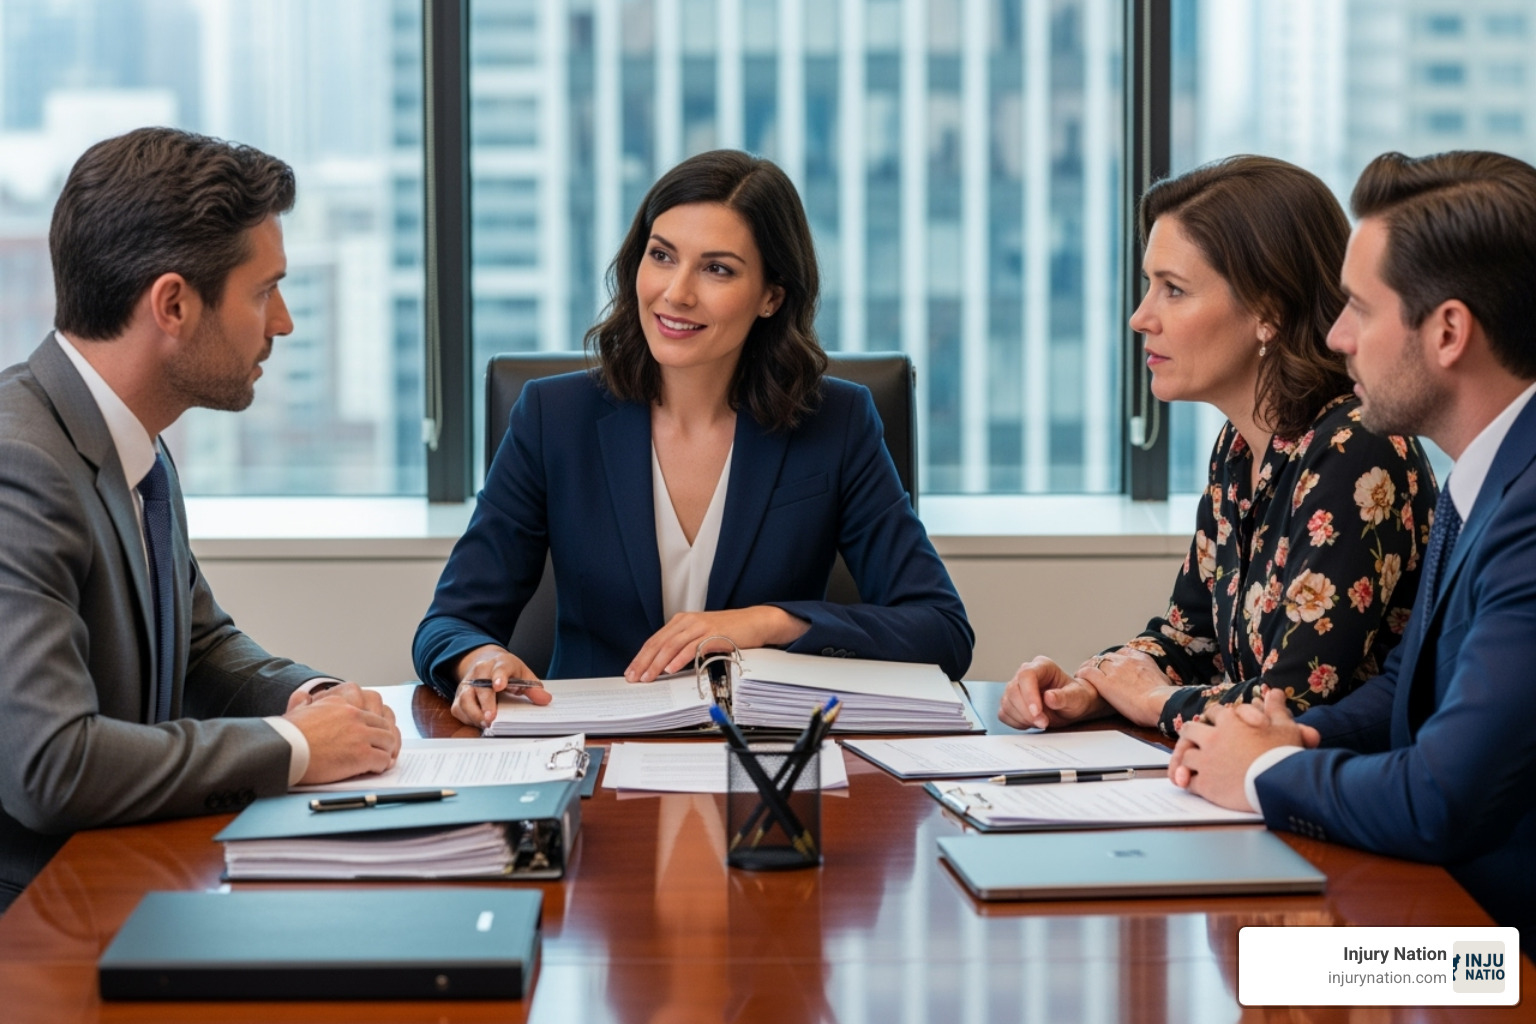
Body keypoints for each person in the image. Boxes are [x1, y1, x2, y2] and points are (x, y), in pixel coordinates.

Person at [414, 150, 973, 726]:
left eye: (718, 269)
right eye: (662, 257)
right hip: (595, 753)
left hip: (767, 759)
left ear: (771, 296)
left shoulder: (836, 422)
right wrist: (477, 656)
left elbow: (942, 630)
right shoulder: (553, 417)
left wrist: (768, 623)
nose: (676, 293)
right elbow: (447, 624)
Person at [0, 128, 402, 912]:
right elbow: (51, 765)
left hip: (123, 874)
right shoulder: (22, 465)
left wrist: (312, 698)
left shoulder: (126, 439)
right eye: (263, 292)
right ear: (174, 304)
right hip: (38, 922)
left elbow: (200, 644)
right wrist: (293, 749)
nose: (281, 323)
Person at [1170, 150, 1536, 944]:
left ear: (1447, 333)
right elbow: (1414, 680)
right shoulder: (1490, 469)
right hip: (1453, 920)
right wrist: (1296, 738)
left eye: (1360, 310)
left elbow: (1441, 800)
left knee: (1249, 970)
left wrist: (1262, 773)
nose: (1336, 337)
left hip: (1492, 958)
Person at [1000, 156, 1436, 738]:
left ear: (1268, 312)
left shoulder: (1356, 447)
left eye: (1174, 290)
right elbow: (1190, 638)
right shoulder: (1240, 445)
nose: (1139, 317)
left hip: (1341, 799)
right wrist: (1091, 687)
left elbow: (1292, 702)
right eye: (1148, 286)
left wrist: (1154, 701)